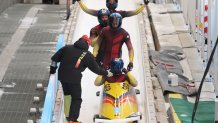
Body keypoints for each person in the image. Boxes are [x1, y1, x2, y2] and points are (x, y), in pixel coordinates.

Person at [50, 35, 113, 123]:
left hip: (62, 76)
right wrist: (107, 73)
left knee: (67, 95)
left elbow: (54, 59)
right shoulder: (87, 54)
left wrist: (52, 70)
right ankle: (73, 119)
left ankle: (68, 116)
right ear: (87, 44)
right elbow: (96, 69)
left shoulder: (67, 48)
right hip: (74, 79)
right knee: (76, 98)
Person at [75, 0, 145, 18]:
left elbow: (134, 12)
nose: (111, 3)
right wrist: (79, 2)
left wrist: (144, 5)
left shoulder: (120, 13)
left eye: (113, 1)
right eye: (110, 1)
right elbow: (87, 10)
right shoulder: (101, 12)